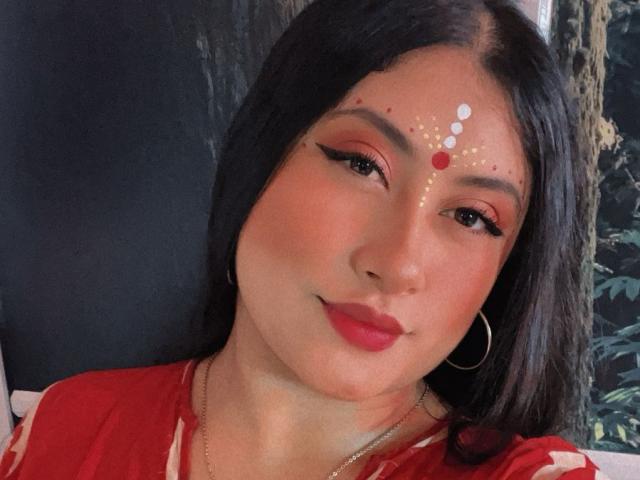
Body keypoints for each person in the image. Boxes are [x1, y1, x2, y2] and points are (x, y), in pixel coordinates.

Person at [0, 0, 608, 478]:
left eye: (472, 217)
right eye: (362, 165)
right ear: (261, 155)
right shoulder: (65, 430)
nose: (397, 263)